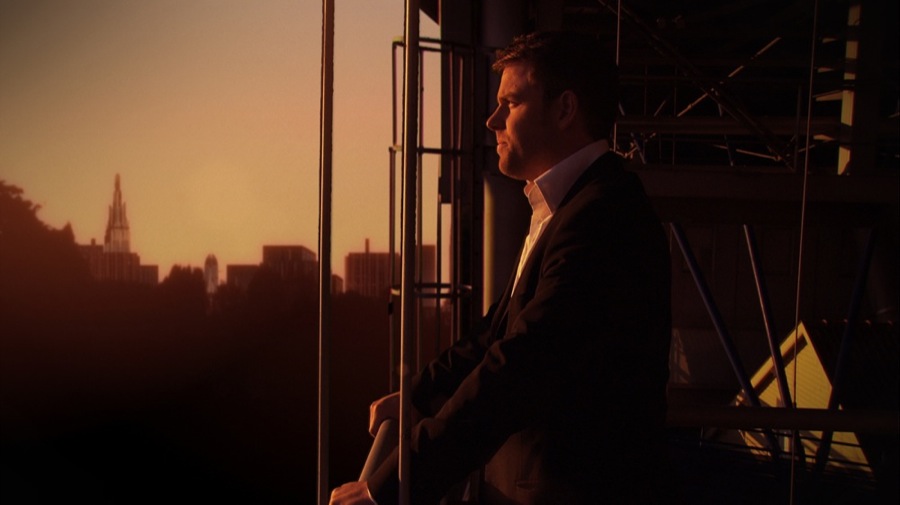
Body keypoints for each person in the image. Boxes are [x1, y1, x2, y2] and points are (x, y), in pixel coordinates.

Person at [331, 30, 673, 505]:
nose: (492, 121)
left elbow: (522, 363)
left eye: (510, 103)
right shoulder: (574, 206)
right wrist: (419, 396)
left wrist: (392, 485)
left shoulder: (602, 216)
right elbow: (497, 331)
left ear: (565, 109)